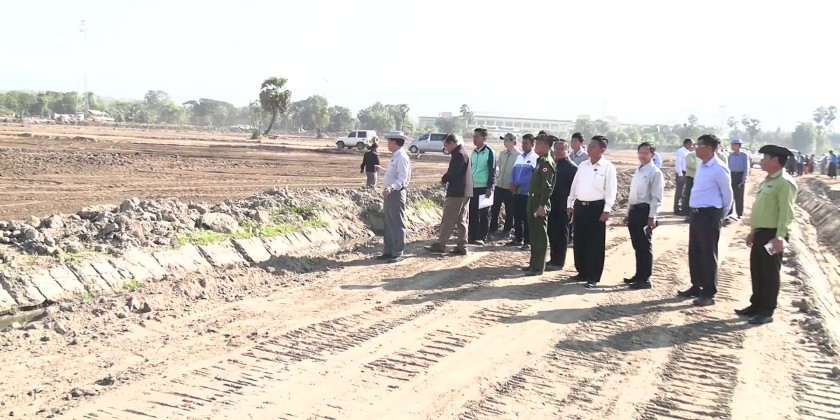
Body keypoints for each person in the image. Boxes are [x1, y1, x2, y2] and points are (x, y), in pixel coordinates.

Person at [737, 145, 798, 325]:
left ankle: (766, 311)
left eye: (765, 158)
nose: (762, 161)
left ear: (775, 160)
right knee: (757, 270)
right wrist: (753, 231)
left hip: (773, 235)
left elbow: (787, 213)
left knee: (770, 273)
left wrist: (780, 237)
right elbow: (762, 210)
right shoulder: (767, 181)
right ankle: (756, 305)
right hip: (761, 233)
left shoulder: (784, 183)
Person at [678, 134, 733, 306]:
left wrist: (721, 215)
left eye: (699, 145)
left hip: (709, 215)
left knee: (708, 254)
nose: (695, 148)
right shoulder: (701, 165)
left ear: (709, 148)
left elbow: (728, 194)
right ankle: (697, 286)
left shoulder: (719, 168)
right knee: (694, 252)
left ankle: (709, 292)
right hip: (696, 214)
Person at [567, 135, 618, 289]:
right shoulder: (583, 165)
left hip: (596, 208)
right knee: (580, 241)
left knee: (594, 243)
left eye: (593, 146)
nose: (589, 148)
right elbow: (574, 186)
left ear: (602, 149)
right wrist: (570, 203)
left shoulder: (608, 167)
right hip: (580, 206)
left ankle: (593, 276)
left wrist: (607, 210)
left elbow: (611, 191)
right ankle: (582, 272)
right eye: (589, 146)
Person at [623, 142, 665, 289]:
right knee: (637, 245)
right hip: (634, 211)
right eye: (640, 152)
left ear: (652, 154)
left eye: (646, 153)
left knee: (644, 246)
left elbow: (656, 197)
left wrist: (652, 216)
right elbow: (632, 195)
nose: (642, 155)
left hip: (645, 212)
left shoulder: (655, 172)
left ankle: (645, 279)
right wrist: (627, 214)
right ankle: (638, 275)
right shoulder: (638, 170)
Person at [424, 134, 472, 255]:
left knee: (448, 219)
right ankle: (462, 246)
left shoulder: (459, 154)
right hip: (465, 191)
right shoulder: (463, 152)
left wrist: (444, 179)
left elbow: (453, 173)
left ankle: (441, 244)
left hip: (457, 192)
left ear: (452, 143)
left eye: (446, 145)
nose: (446, 148)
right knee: (462, 220)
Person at [523, 134, 557, 276]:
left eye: (539, 143)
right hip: (533, 200)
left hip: (539, 202)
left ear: (547, 146)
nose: (536, 146)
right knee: (534, 233)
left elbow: (547, 187)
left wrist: (542, 205)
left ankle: (538, 266)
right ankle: (533, 263)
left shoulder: (546, 163)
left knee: (540, 235)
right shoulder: (540, 160)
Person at [375, 134, 412, 263]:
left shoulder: (402, 157)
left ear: (394, 143)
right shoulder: (395, 156)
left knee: (397, 223)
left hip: (396, 193)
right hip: (390, 193)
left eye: (389, 142)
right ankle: (388, 250)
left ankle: (398, 252)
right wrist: (382, 171)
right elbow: (393, 174)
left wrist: (391, 187)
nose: (387, 144)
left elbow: (402, 179)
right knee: (389, 222)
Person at [547, 138, 577, 271]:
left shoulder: (572, 168)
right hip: (552, 205)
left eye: (562, 149)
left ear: (567, 150)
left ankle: (559, 262)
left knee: (561, 234)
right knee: (552, 233)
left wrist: (571, 206)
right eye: (557, 149)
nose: (559, 151)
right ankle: (553, 259)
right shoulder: (554, 164)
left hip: (564, 206)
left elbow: (575, 190)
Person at [508, 134, 537, 250]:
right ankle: (518, 238)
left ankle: (528, 241)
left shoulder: (535, 158)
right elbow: (513, 171)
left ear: (532, 144)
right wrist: (512, 183)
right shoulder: (519, 157)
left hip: (526, 193)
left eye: (526, 143)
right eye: (523, 143)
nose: (524, 145)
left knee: (526, 217)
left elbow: (531, 175)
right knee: (517, 216)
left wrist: (517, 183)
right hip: (517, 192)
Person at [468, 127, 496, 245]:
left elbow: (492, 170)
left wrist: (489, 187)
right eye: (474, 136)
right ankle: (472, 236)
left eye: (477, 136)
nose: (474, 139)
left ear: (484, 137)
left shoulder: (490, 152)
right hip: (473, 186)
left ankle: (482, 237)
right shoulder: (473, 152)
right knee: (472, 212)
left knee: (484, 213)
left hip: (484, 187)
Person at [490, 133, 519, 237]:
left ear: (513, 141)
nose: (504, 142)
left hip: (510, 187)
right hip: (499, 185)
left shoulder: (519, 156)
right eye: (504, 140)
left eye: (506, 140)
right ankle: (493, 228)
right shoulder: (502, 154)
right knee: (495, 208)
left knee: (509, 210)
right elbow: (497, 167)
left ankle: (507, 230)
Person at [727, 138, 750, 219]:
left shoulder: (744, 155)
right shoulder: (730, 155)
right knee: (730, 194)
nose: (732, 146)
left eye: (733, 144)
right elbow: (728, 166)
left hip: (740, 176)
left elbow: (746, 168)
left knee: (739, 196)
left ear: (738, 145)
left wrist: (744, 179)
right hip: (732, 175)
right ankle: (729, 213)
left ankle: (739, 214)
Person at [674, 138, 693, 216]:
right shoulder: (681, 151)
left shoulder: (688, 152)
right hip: (682, 173)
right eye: (692, 144)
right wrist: (680, 174)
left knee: (684, 192)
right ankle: (676, 209)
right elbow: (678, 163)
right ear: (687, 144)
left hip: (687, 173)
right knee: (679, 191)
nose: (692, 146)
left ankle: (682, 208)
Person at [682, 148, 698, 222]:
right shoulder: (690, 155)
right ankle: (688, 214)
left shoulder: (703, 157)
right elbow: (691, 165)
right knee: (689, 196)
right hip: (691, 178)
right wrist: (702, 165)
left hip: (699, 179)